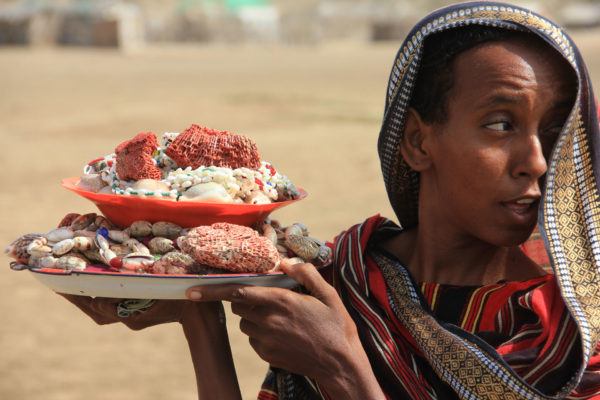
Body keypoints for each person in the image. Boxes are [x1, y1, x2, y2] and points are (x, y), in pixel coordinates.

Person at [61, 1, 600, 398]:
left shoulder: (575, 324)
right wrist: (198, 316)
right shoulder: (343, 277)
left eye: (556, 132)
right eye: (501, 123)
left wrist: (343, 370)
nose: (537, 159)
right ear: (418, 141)